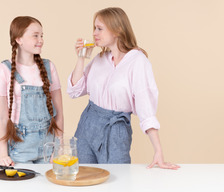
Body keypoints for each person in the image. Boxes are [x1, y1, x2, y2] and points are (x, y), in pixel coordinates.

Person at [67, 7, 180, 169]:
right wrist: (81, 58)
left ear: (117, 30)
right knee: (82, 177)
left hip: (115, 130)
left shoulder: (138, 62)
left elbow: (145, 107)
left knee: (117, 180)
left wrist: (158, 151)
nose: (94, 33)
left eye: (99, 29)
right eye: (94, 28)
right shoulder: (100, 59)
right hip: (87, 126)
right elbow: (74, 91)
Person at [0, 16, 63, 166]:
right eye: (35, 35)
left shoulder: (49, 67)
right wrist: (2, 153)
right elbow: (1, 117)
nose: (41, 40)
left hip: (48, 146)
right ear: (19, 39)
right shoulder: (3, 70)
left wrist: (58, 148)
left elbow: (59, 113)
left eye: (42, 36)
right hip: (20, 147)